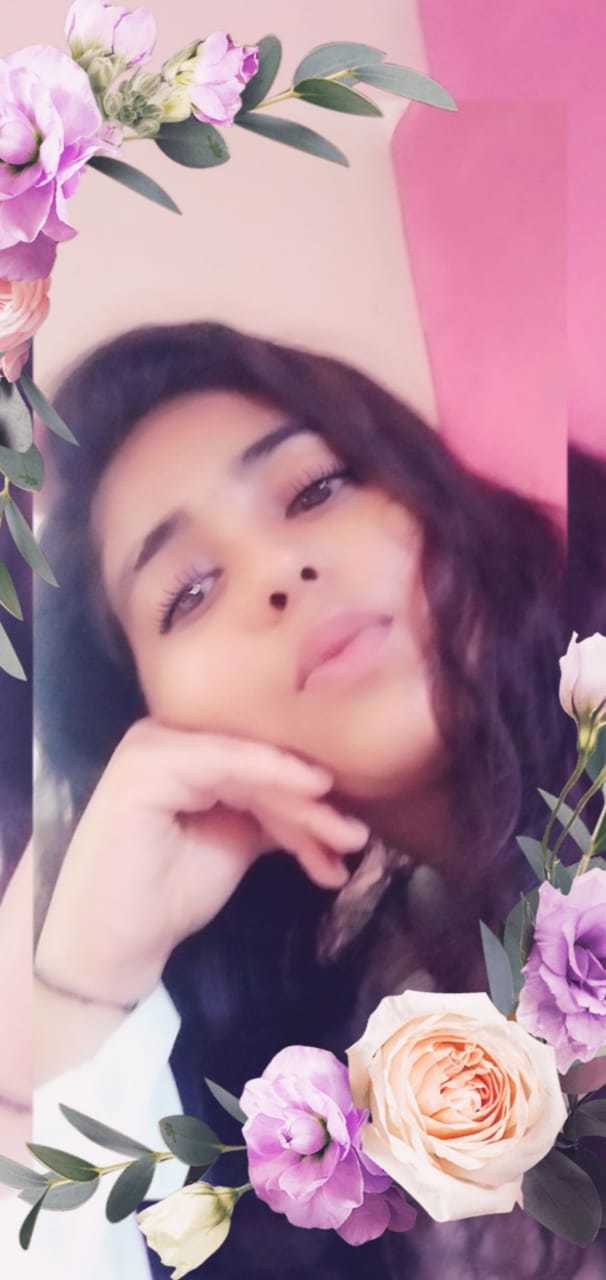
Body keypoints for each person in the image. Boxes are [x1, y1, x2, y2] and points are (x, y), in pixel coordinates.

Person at [5, 321, 605, 1278]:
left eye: (317, 490)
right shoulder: (330, 1081)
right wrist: (82, 979)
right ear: (151, 726)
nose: (279, 572)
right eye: (189, 593)